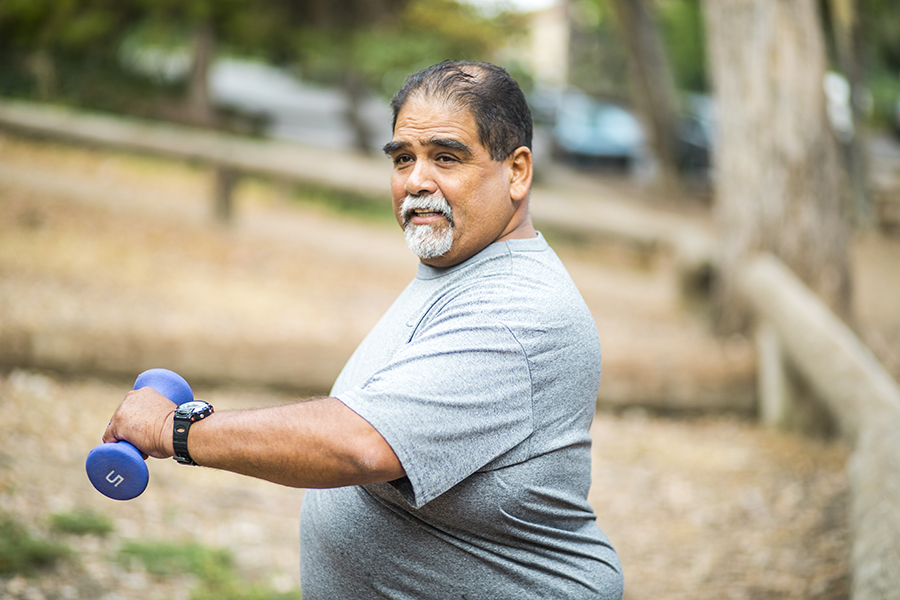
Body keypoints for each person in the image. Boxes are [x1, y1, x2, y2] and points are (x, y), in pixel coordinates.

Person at [104, 60, 624, 599]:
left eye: (446, 157)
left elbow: (359, 446)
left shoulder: (519, 311)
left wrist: (177, 430)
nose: (417, 180)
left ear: (517, 171)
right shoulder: (459, 268)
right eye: (404, 158)